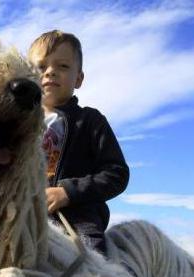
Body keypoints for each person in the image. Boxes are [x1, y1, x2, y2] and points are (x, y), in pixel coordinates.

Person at [28, 30, 129, 254]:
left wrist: (67, 192)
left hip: (77, 216)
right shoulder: (18, 124)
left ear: (79, 79)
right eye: (41, 67)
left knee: (94, 265)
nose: (50, 72)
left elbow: (116, 174)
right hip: (24, 211)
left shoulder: (90, 120)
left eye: (62, 66)